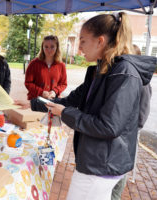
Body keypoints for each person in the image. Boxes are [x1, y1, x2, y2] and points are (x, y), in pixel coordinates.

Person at [15, 12, 156, 200]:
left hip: (102, 165)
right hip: (97, 160)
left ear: (100, 41)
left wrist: (66, 113)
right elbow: (68, 100)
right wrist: (33, 103)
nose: (79, 48)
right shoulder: (100, 71)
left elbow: (108, 126)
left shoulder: (123, 73)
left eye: (82, 41)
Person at [111, 44, 152, 200]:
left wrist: (126, 128)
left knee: (119, 177)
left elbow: (142, 114)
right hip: (114, 135)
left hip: (126, 136)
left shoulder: (142, 82)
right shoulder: (122, 75)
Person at [25, 35, 67, 100]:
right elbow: (28, 83)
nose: (49, 50)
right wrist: (41, 92)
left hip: (53, 101)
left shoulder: (61, 65)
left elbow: (63, 84)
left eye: (52, 47)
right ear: (42, 48)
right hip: (35, 102)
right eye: (46, 47)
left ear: (57, 47)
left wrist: (54, 91)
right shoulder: (33, 64)